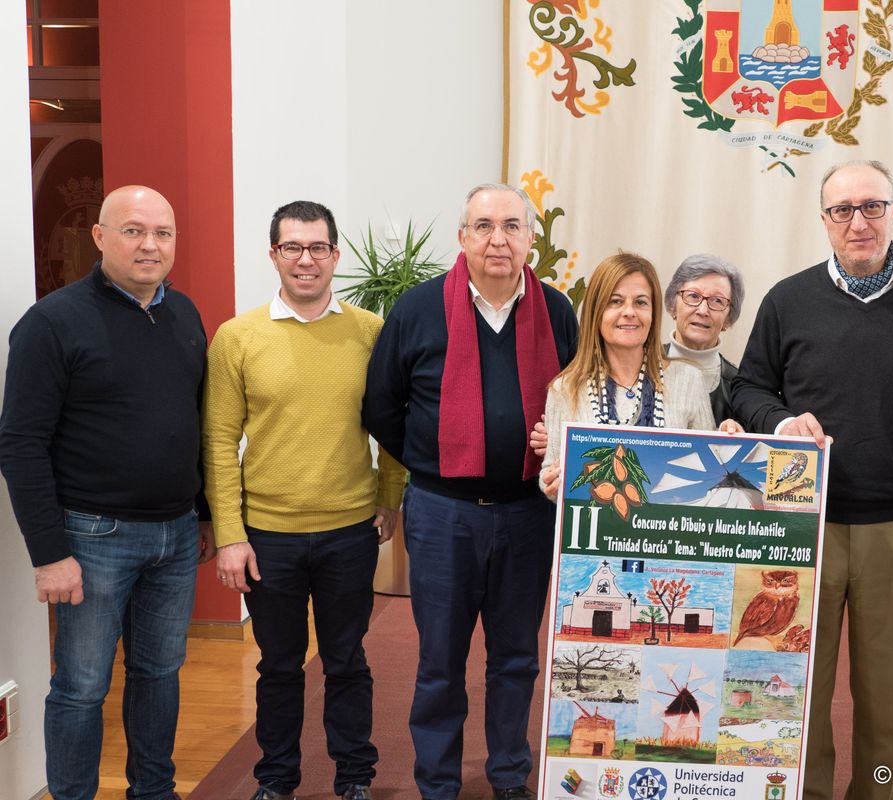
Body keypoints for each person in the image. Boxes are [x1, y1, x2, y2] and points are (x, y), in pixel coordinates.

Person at [732, 160, 893, 800]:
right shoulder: (788, 300)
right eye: (842, 210)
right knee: (793, 685)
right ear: (825, 219)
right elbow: (748, 386)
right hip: (799, 523)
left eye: (871, 207)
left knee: (885, 694)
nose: (857, 221)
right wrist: (779, 422)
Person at [363, 183, 578, 800]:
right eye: (483, 226)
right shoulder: (419, 307)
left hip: (528, 513)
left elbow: (574, 397)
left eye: (512, 226)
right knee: (439, 662)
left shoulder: (557, 310)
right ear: (462, 237)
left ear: (531, 240)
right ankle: (437, 783)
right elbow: (382, 404)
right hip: (443, 513)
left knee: (516, 659)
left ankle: (509, 776)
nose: (498, 239)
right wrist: (435, 456)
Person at [0, 185, 212, 800]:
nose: (150, 245)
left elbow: (194, 423)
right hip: (91, 538)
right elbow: (19, 443)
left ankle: (154, 790)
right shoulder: (52, 323)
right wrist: (48, 553)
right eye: (133, 230)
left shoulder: (185, 315)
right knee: (82, 685)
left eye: (163, 233)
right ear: (98, 237)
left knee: (159, 673)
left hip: (175, 537)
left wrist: (201, 514)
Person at [203, 201, 402, 800]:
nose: (306, 259)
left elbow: (393, 425)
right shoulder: (238, 337)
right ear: (273, 255)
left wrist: (389, 497)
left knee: (347, 662)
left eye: (318, 247)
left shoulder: (370, 333)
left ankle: (353, 778)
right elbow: (217, 439)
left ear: (336, 256)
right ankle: (276, 779)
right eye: (292, 247)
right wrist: (231, 533)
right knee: (279, 666)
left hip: (350, 531)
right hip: (268, 536)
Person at [540, 252, 738, 498]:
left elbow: (708, 475)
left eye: (641, 302)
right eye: (615, 301)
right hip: (596, 532)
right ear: (595, 311)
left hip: (667, 532)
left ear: (654, 314)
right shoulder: (565, 388)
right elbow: (550, 474)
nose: (629, 312)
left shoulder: (688, 379)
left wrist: (728, 445)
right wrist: (553, 483)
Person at [663, 253, 747, 425]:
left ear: (729, 318)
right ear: (672, 305)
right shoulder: (641, 367)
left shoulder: (740, 388)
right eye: (693, 296)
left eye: (717, 301)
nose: (702, 310)